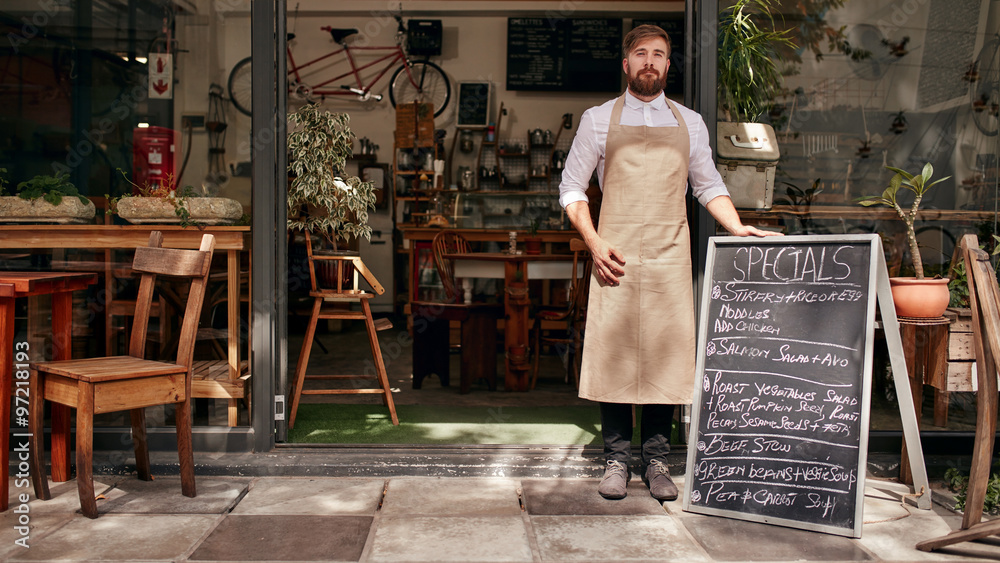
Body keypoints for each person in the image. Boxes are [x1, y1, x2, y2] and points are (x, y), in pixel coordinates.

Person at [559, 24, 780, 501]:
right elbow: (572, 189)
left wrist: (737, 226)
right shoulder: (597, 119)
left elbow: (708, 185)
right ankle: (616, 458)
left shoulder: (691, 122)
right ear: (626, 64)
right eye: (641, 53)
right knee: (616, 356)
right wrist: (594, 243)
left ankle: (657, 459)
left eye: (659, 54)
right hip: (614, 256)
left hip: (668, 255)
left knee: (664, 353)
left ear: (667, 64)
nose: (650, 62)